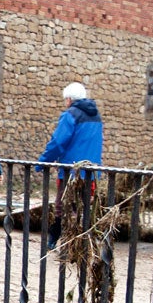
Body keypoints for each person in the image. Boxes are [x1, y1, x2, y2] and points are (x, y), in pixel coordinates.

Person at [37, 82, 103, 249]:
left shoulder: (70, 115)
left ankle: (58, 241)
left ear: (69, 99)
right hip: (90, 172)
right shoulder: (97, 117)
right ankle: (80, 243)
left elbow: (58, 142)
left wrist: (43, 162)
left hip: (70, 171)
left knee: (63, 207)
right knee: (83, 207)